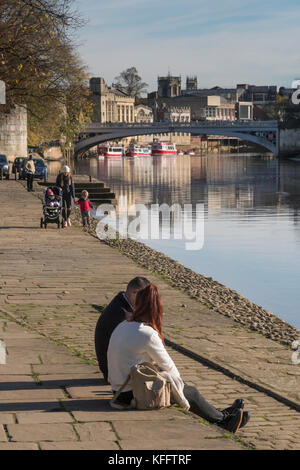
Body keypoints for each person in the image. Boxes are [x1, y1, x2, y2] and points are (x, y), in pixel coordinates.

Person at [107, 283, 250, 434]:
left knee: (182, 386)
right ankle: (223, 422)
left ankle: (222, 414)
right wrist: (181, 386)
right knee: (190, 391)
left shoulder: (123, 324)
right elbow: (171, 369)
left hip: (118, 389)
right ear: (156, 308)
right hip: (135, 394)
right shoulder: (147, 333)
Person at [94, 277, 150, 382]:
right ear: (135, 293)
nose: (147, 301)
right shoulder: (121, 314)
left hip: (114, 369)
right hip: (116, 374)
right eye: (146, 297)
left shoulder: (121, 301)